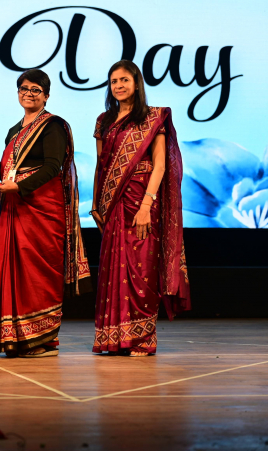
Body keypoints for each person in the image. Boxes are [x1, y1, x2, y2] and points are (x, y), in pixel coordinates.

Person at [0, 69, 90, 358]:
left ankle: (42, 340)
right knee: (14, 272)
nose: (28, 94)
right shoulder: (14, 131)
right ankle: (17, 339)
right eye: (24, 88)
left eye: (35, 90)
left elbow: (53, 167)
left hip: (42, 211)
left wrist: (19, 187)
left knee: (38, 273)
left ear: (46, 95)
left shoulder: (53, 126)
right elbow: (8, 175)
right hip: (16, 208)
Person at [91, 60, 190, 356]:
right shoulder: (104, 121)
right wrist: (96, 205)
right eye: (114, 81)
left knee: (141, 267)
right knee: (113, 269)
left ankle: (143, 338)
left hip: (141, 201)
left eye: (124, 80)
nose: (118, 86)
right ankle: (114, 338)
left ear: (136, 83)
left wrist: (147, 205)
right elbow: (101, 166)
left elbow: (160, 165)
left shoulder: (152, 118)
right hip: (113, 205)